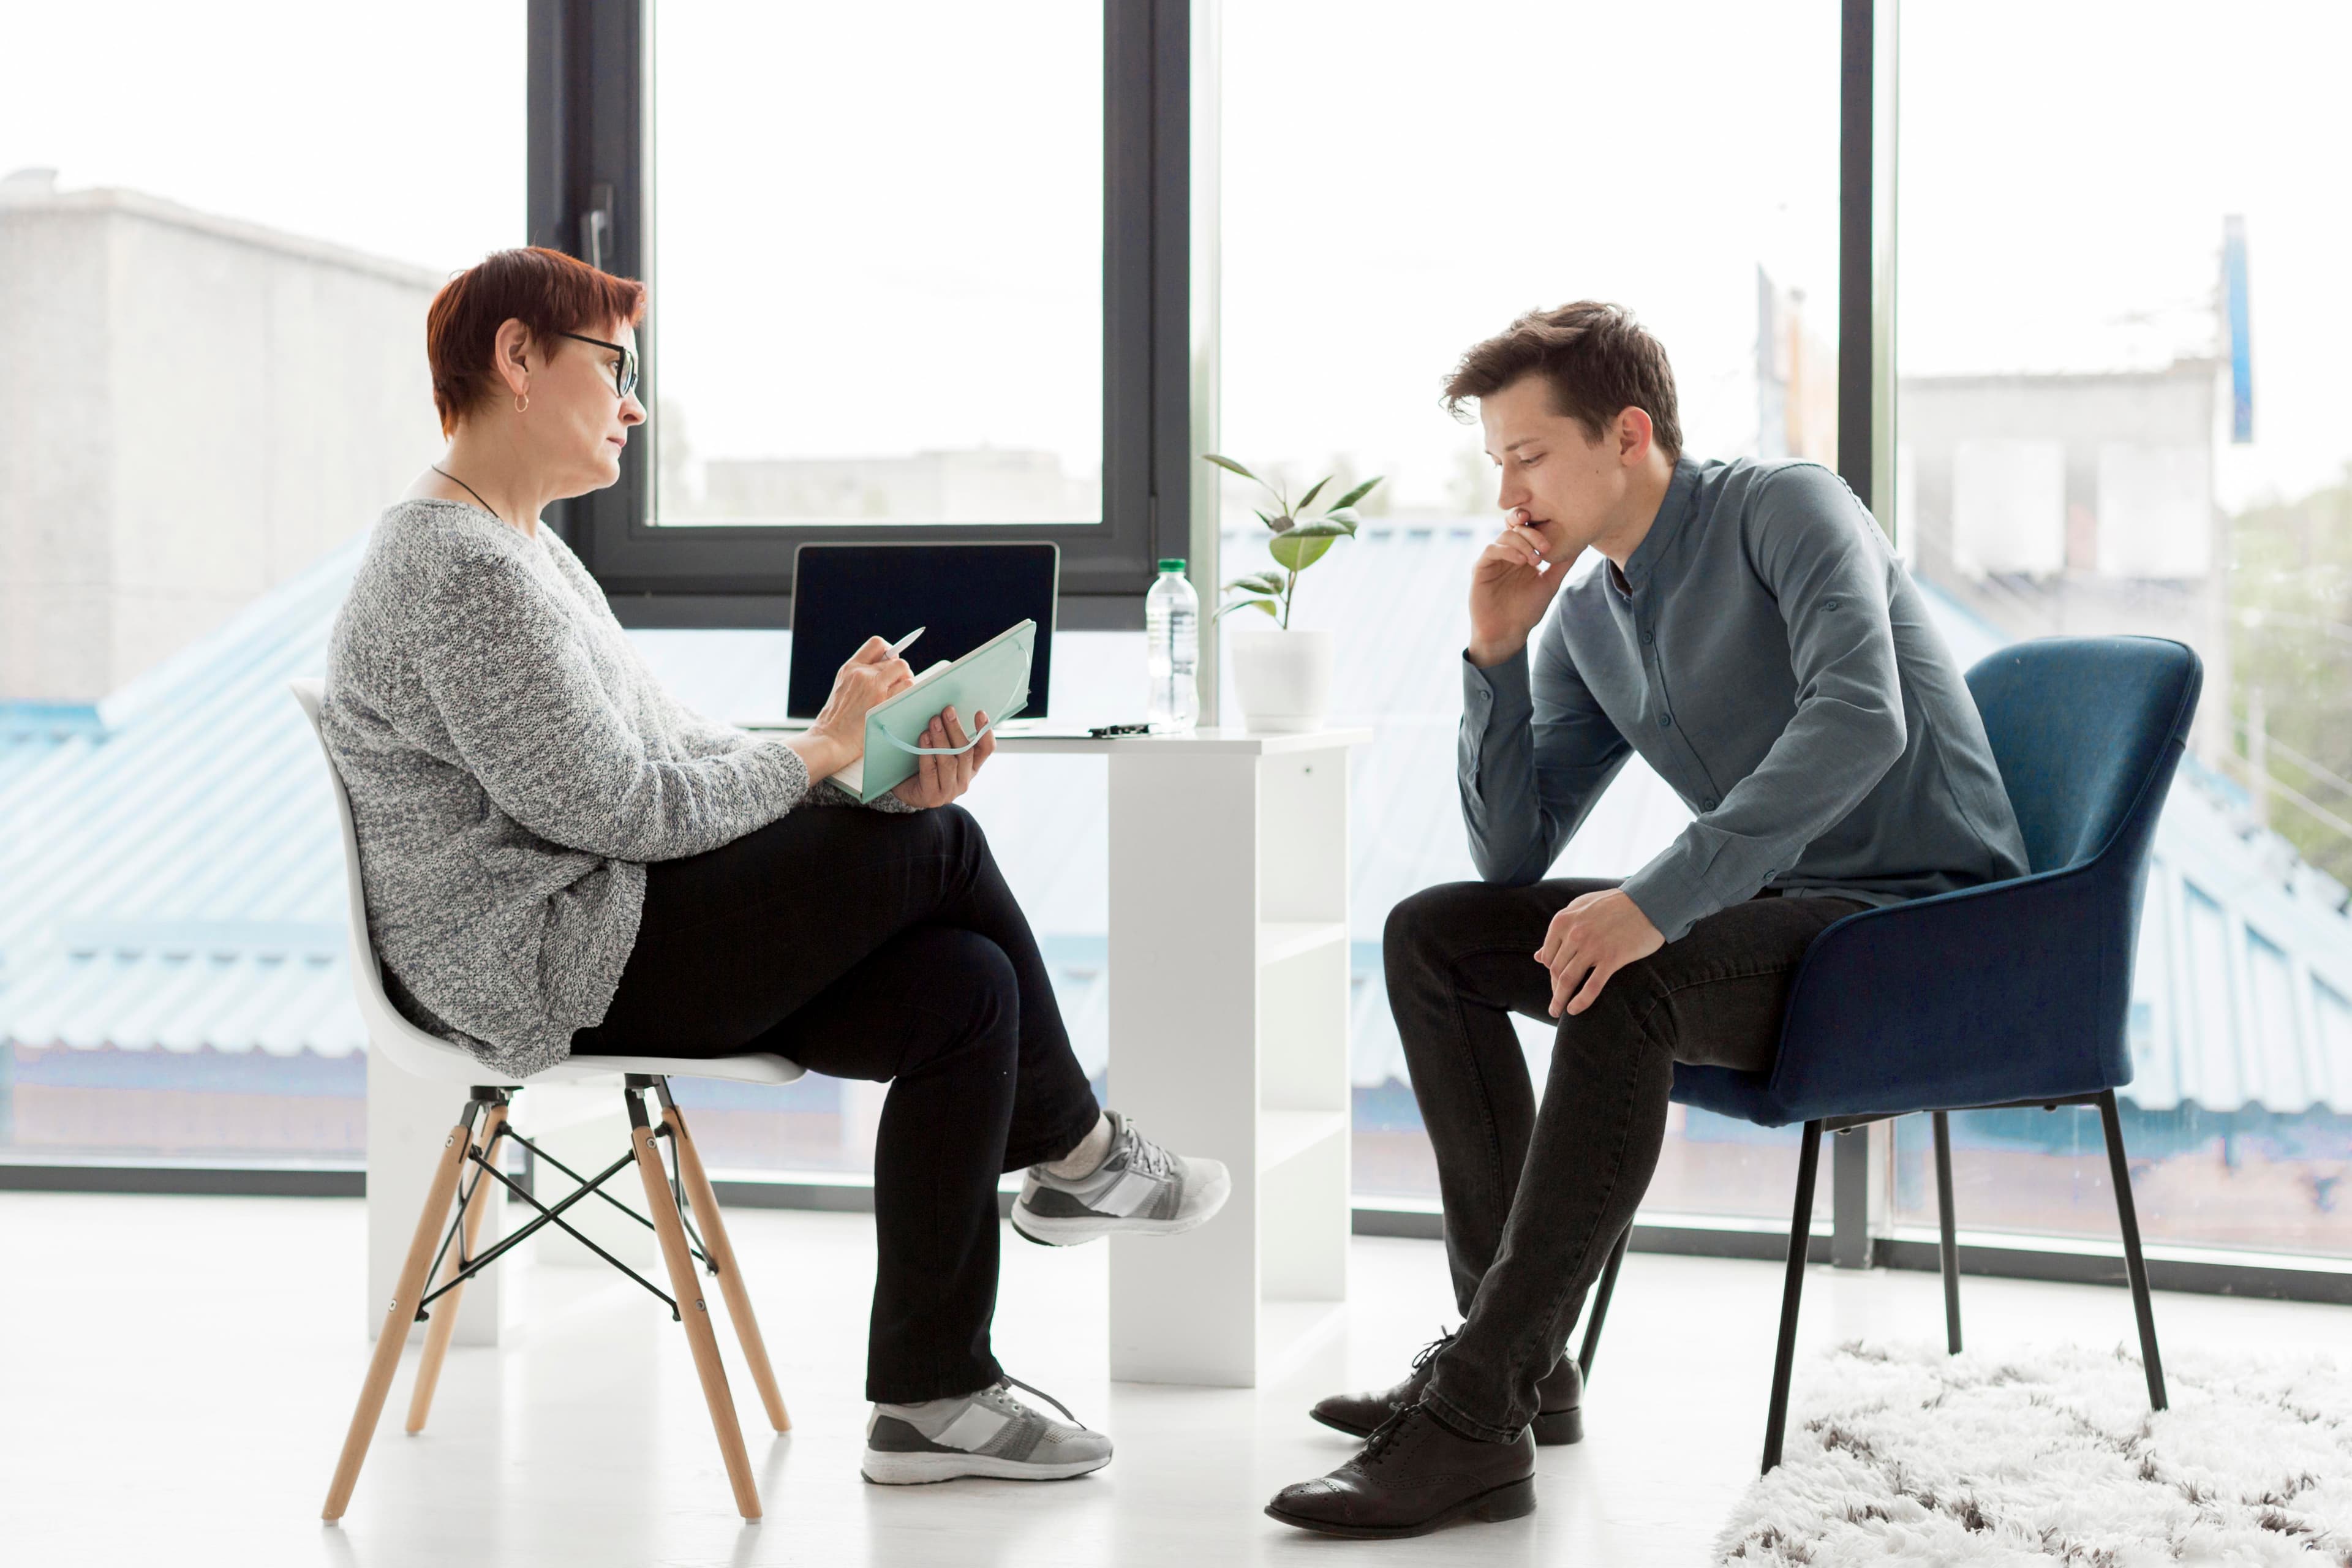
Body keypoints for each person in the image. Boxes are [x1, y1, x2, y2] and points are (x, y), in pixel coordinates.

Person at [321, 247, 1229, 1487]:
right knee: (943, 843)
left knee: (968, 985)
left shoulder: (523, 549)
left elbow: (673, 750)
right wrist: (825, 758)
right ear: (519, 360)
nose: (634, 403)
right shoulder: (456, 569)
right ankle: (1078, 1152)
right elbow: (626, 806)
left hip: (606, 923)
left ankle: (934, 1394)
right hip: (547, 962)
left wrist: (854, 774)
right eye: (615, 366)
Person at [1266, 302, 2028, 1537]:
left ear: (1626, 434)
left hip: (1921, 928)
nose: (1506, 487)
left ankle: (1471, 1412)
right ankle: (1518, 1364)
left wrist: (1657, 899)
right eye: (1494, 461)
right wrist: (1496, 654)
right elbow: (1514, 851)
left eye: (1527, 454)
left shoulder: (1790, 508)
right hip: (1779, 912)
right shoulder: (1586, 614)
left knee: (1633, 974)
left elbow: (1861, 718)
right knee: (1436, 937)